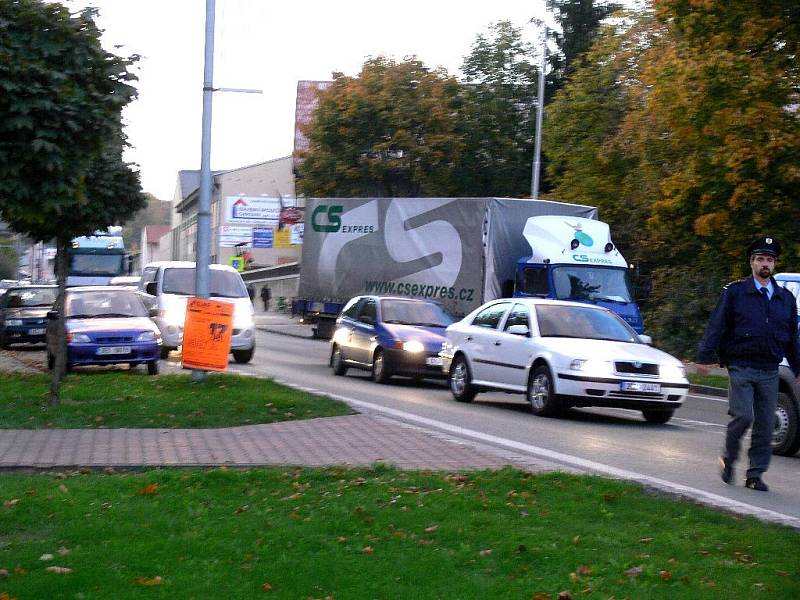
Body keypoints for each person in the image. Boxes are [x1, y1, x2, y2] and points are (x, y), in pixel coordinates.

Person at [696, 236, 800, 492]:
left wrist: (798, 368)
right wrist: (705, 356)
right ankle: (729, 459)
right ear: (752, 263)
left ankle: (755, 474)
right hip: (741, 365)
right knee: (743, 416)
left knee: (765, 424)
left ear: (774, 264)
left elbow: (791, 337)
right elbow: (717, 325)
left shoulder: (785, 299)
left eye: (770, 260)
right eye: (761, 259)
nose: (765, 264)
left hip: (769, 369)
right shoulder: (735, 293)